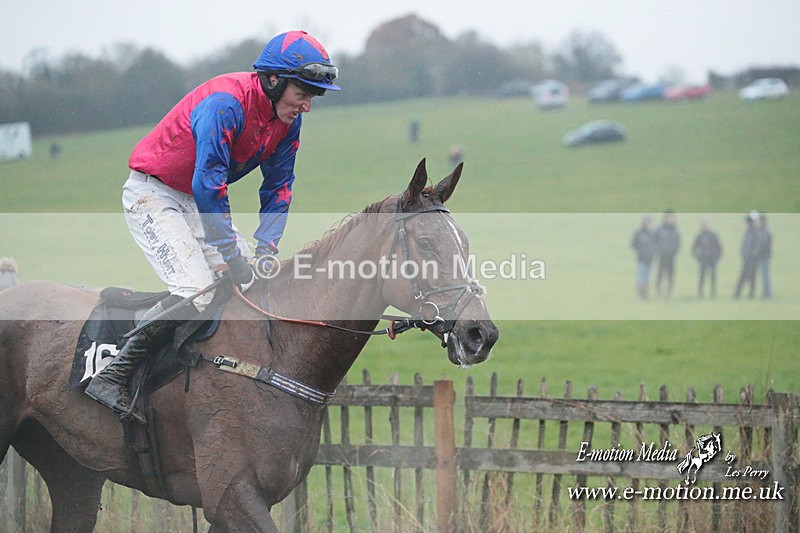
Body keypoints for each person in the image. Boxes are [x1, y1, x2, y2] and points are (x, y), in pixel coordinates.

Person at [84, 30, 340, 422]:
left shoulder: (287, 121)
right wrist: (231, 257)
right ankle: (113, 374)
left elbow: (279, 187)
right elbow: (210, 186)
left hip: (194, 199)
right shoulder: (225, 104)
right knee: (195, 291)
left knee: (250, 280)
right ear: (273, 80)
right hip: (153, 194)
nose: (306, 106)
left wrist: (266, 249)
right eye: (302, 94)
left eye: (313, 97)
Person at [691, 218, 722, 298]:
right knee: (702, 277)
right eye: (704, 224)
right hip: (703, 259)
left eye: (706, 224)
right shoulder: (699, 236)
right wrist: (698, 257)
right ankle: (701, 293)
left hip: (712, 259)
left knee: (712, 277)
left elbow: (719, 248)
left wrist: (716, 257)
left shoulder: (713, 235)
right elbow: (694, 248)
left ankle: (713, 293)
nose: (705, 226)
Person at [733, 212, 761, 299]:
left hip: (752, 259)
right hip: (747, 258)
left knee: (749, 276)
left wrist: (752, 255)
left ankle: (746, 294)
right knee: (746, 276)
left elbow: (756, 245)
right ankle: (739, 294)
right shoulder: (749, 231)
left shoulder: (754, 232)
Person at [654, 210, 680, 298]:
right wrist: (658, 251)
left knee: (671, 275)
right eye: (669, 217)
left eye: (672, 218)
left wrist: (675, 251)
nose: (670, 219)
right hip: (662, 256)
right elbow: (654, 241)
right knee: (660, 274)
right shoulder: (659, 230)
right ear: (665, 218)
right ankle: (658, 292)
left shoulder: (675, 230)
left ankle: (669, 293)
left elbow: (678, 242)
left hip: (671, 257)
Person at [631, 216, 657, 300]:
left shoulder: (652, 234)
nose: (649, 224)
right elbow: (633, 244)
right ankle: (641, 296)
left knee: (647, 278)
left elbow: (654, 245)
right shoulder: (639, 233)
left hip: (650, 259)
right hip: (641, 259)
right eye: (648, 222)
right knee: (641, 278)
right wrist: (641, 251)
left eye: (650, 222)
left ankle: (645, 295)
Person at [756, 213, 773, 298]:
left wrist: (757, 252)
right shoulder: (761, 230)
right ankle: (765, 292)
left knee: (765, 275)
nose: (758, 222)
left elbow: (763, 244)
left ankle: (767, 293)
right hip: (761, 256)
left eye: (759, 220)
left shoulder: (765, 231)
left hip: (763, 256)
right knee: (763, 275)